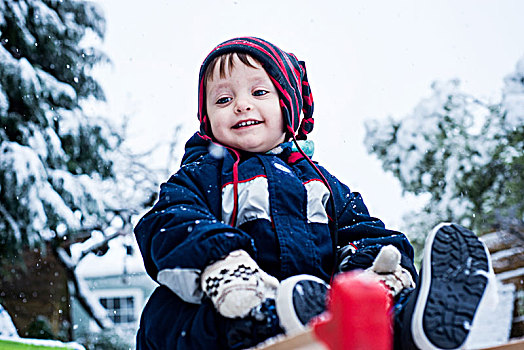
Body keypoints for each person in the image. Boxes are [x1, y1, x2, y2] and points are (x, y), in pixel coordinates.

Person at [134, 37, 494, 350]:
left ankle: (412, 327)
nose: (241, 104)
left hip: (316, 306)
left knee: (361, 297)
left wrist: (368, 269)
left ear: (287, 106)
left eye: (259, 92)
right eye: (223, 99)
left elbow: (366, 232)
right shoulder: (201, 174)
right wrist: (225, 260)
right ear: (208, 118)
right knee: (185, 315)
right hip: (219, 319)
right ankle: (276, 321)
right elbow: (168, 222)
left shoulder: (320, 182)